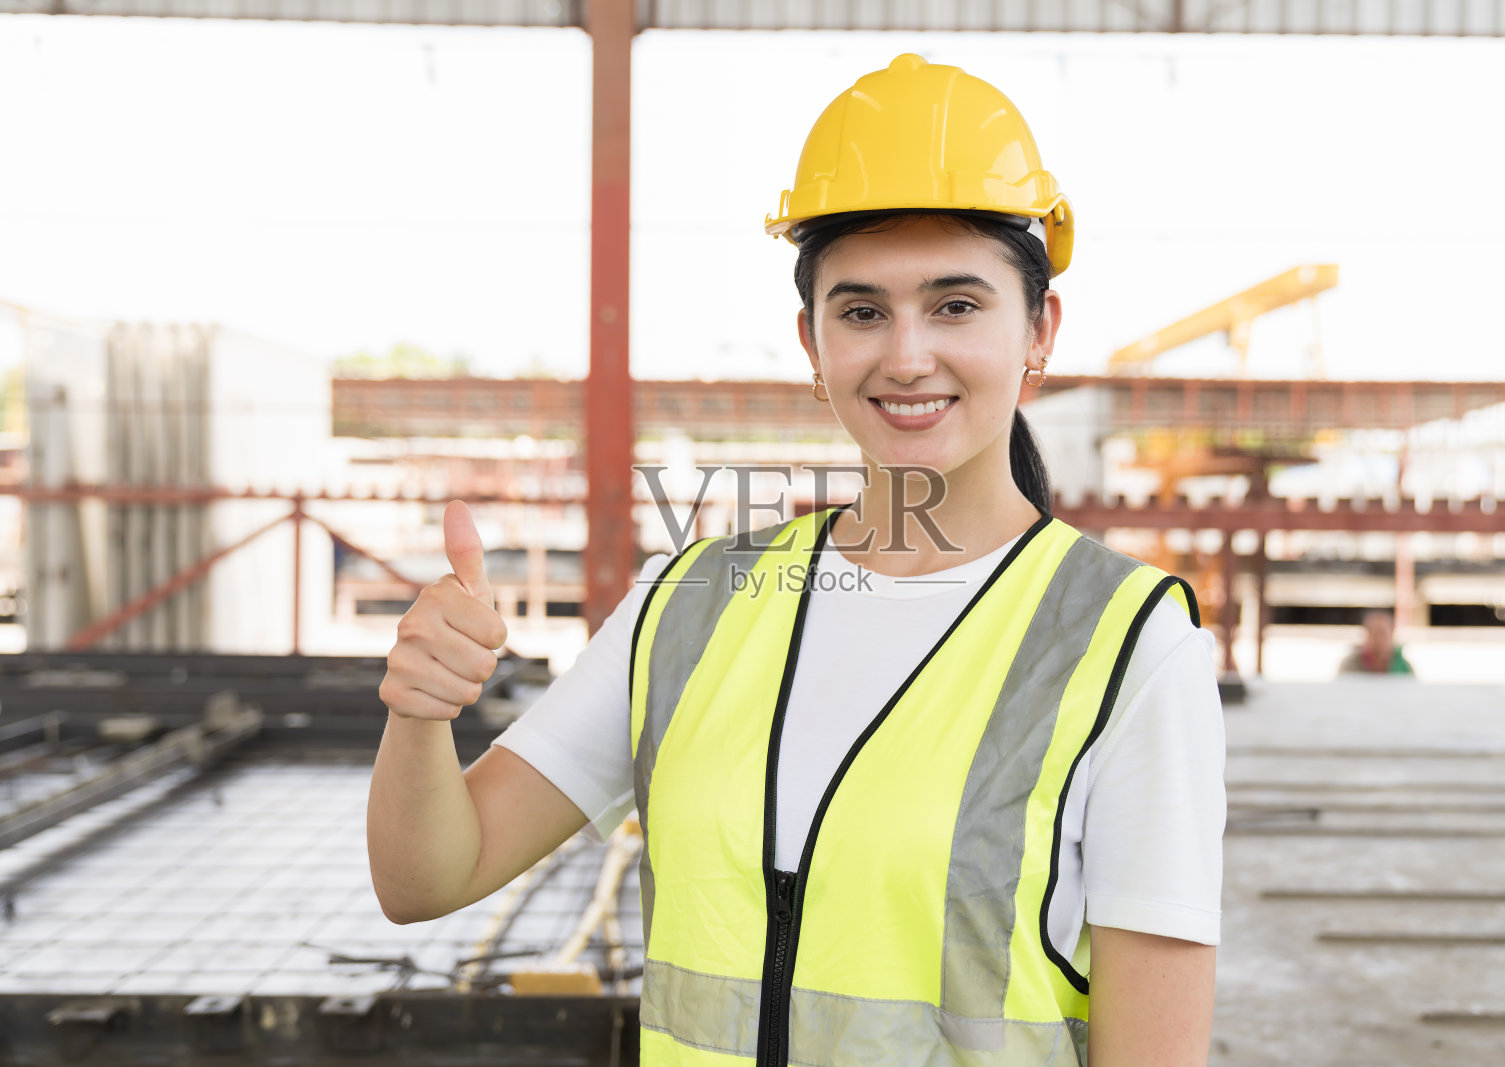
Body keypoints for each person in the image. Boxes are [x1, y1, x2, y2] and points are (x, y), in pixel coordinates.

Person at [369, 54, 1225, 1066]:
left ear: (1039, 327)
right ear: (811, 344)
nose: (905, 354)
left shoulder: (1125, 645)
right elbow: (428, 877)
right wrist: (419, 716)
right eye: (861, 311)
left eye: (956, 305)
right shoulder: (691, 605)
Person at [1338, 607, 1415, 675]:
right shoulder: (1350, 665)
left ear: (1391, 634)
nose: (1378, 639)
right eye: (1373, 633)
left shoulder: (1405, 668)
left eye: (1382, 633)